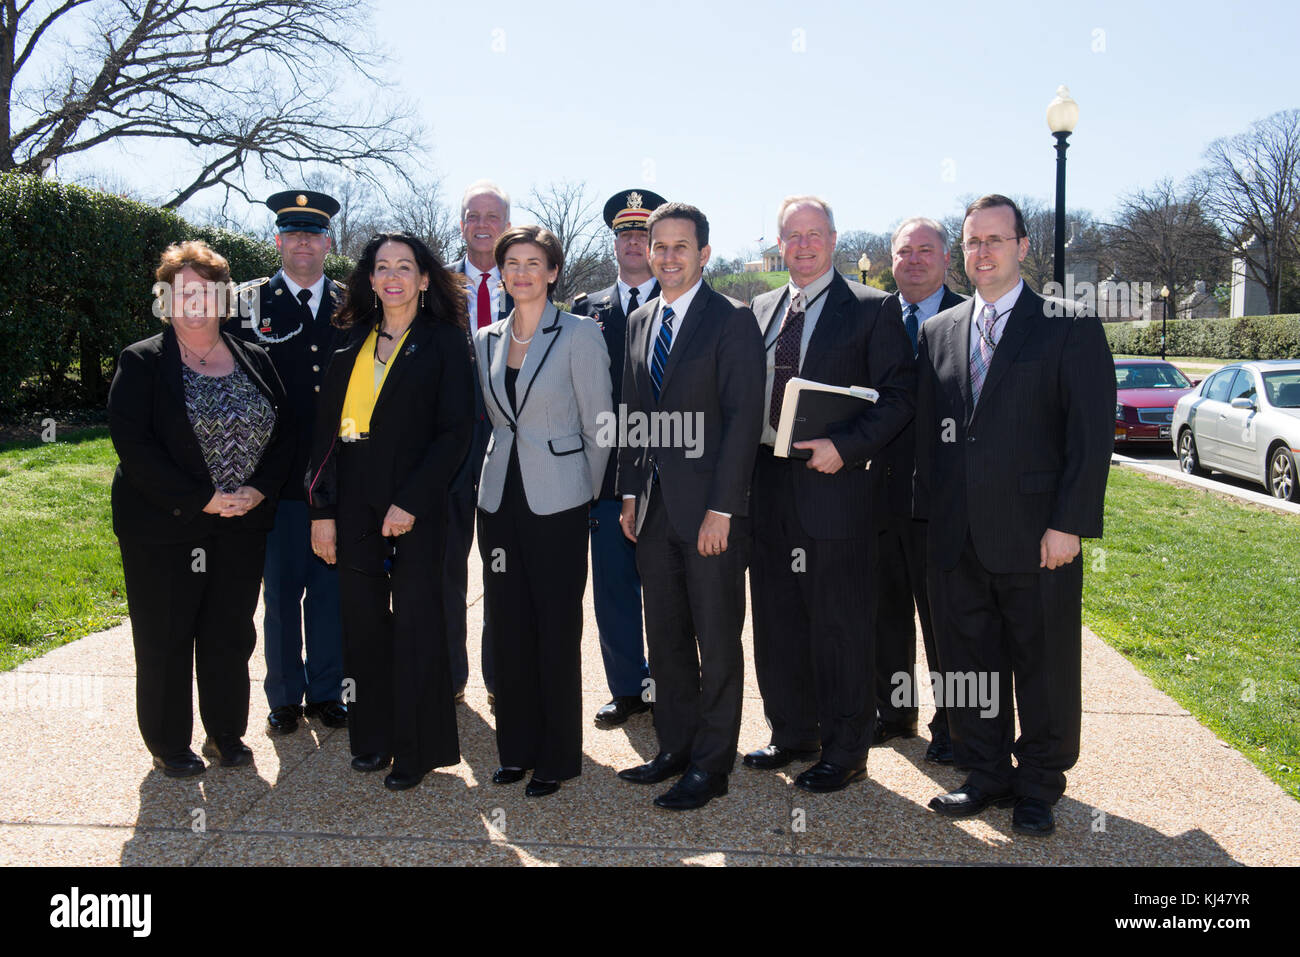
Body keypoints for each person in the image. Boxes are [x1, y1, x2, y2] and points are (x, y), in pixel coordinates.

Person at [914, 194, 1114, 836]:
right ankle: (984, 773)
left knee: (1045, 666)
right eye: (973, 241)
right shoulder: (940, 331)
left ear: (1023, 247)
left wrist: (1070, 524)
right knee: (970, 666)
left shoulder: (1067, 324)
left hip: (1037, 537)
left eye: (997, 240)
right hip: (957, 538)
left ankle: (1038, 786)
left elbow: (1090, 439)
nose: (984, 252)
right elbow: (930, 435)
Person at [743, 196, 915, 792]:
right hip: (766, 482)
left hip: (835, 484)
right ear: (780, 242)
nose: (804, 245)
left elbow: (898, 398)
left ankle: (847, 749)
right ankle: (792, 733)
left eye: (815, 234)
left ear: (834, 239)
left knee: (839, 623)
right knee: (776, 615)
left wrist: (847, 446)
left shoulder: (872, 309)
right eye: (793, 235)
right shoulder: (761, 308)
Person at [109, 240, 291, 777]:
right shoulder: (143, 361)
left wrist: (259, 489)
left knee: (230, 633)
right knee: (166, 636)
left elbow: (285, 433)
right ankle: (170, 744)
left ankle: (226, 734)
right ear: (166, 299)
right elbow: (133, 445)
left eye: (205, 291)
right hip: (165, 528)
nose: (194, 302)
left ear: (223, 296)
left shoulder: (253, 357)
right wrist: (200, 498)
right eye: (182, 292)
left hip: (240, 525)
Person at [305, 232, 474, 792]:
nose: (394, 276)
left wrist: (412, 501)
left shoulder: (446, 342)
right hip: (353, 499)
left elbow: (456, 432)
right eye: (383, 267)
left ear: (425, 279)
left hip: (417, 504)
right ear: (370, 279)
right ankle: (372, 740)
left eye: (406, 266)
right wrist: (321, 511)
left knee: (418, 624)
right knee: (364, 623)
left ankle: (416, 749)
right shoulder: (348, 340)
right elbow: (326, 435)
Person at [616, 203, 765, 811]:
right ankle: (674, 748)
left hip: (710, 515)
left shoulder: (731, 320)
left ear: (704, 254)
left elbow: (742, 421)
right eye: (660, 247)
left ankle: (711, 765)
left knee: (718, 638)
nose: (669, 257)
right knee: (667, 636)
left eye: (682, 247)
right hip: (652, 512)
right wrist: (628, 491)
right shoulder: (639, 320)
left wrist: (723, 510)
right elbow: (630, 412)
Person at [474, 225, 612, 798]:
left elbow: (600, 425)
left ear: (553, 272)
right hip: (498, 498)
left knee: (555, 626)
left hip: (558, 500)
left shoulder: (580, 333)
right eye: (512, 262)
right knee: (506, 625)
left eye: (534, 262)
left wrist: (585, 495)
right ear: (501, 271)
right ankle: (516, 750)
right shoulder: (484, 338)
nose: (523, 272)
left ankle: (557, 756)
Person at [227, 189, 347, 737]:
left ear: (328, 242)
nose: (304, 242)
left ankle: (328, 691)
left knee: (330, 589)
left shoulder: (354, 304)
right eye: (294, 233)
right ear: (278, 240)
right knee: (279, 593)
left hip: (336, 474)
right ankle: (283, 696)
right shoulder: (246, 305)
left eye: (314, 233)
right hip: (274, 478)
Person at [872, 217, 967, 764]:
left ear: (945, 259)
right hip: (881, 495)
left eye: (925, 250)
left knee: (944, 619)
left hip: (942, 501)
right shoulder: (876, 315)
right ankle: (893, 713)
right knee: (885, 614)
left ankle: (953, 725)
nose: (913, 260)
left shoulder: (967, 317)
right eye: (903, 251)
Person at [570, 187, 666, 727]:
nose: (633, 243)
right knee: (613, 588)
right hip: (606, 476)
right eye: (625, 234)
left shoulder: (681, 305)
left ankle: (671, 684)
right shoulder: (587, 312)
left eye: (642, 234)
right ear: (615, 245)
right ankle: (627, 687)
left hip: (669, 471)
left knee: (669, 588)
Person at [445, 180, 514, 708]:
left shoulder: (526, 280)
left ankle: (501, 676)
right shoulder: (434, 286)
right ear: (462, 223)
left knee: (502, 560)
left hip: (511, 441)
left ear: (507, 224)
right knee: (445, 562)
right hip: (449, 440)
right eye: (474, 215)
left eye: (493, 215)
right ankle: (448, 676)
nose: (483, 223)